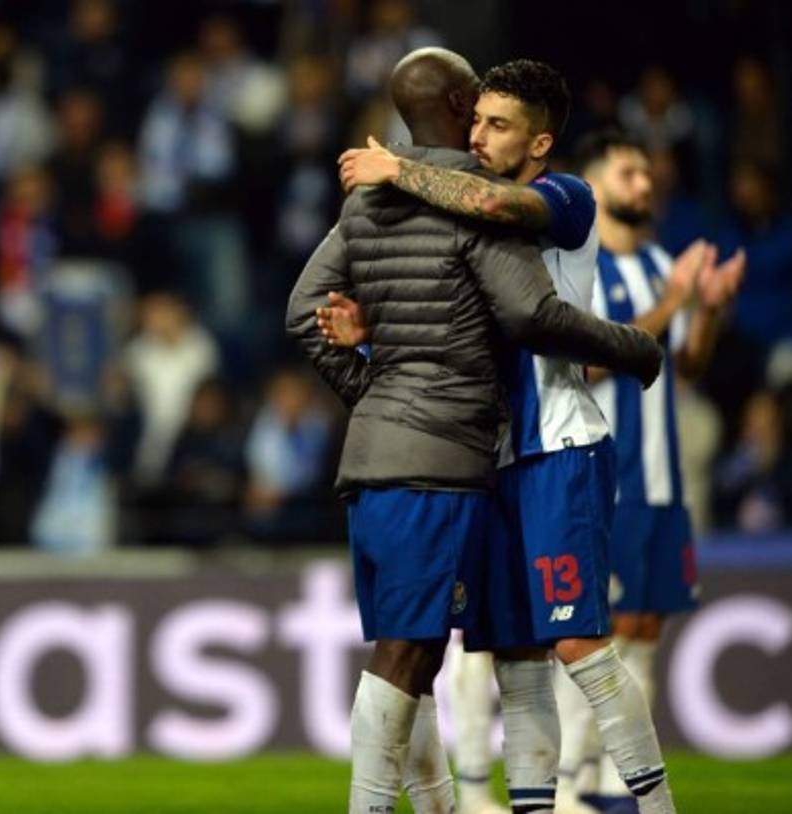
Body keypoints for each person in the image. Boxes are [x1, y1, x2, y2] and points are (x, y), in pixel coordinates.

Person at [287, 48, 661, 814]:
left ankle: (655, 807)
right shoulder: (451, 200)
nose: (483, 137)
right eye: (479, 120)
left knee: (579, 646)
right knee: (513, 662)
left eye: (500, 126)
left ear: (539, 142)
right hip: (482, 455)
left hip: (554, 445)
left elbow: (495, 216)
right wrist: (373, 346)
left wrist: (397, 171)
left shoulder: (564, 196)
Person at [564, 129, 744, 811]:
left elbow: (688, 366)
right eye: (629, 172)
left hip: (663, 476)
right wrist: (673, 303)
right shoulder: (577, 267)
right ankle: (569, 786)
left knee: (644, 629)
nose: (645, 184)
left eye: (648, 172)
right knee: (593, 636)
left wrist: (710, 313)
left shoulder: (663, 262)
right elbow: (583, 362)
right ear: (594, 179)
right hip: (606, 477)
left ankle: (612, 789)